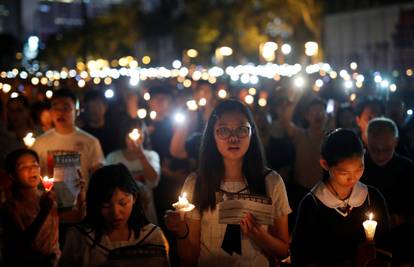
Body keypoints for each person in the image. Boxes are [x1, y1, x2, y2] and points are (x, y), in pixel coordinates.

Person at [164, 99, 291, 267]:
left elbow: (283, 251)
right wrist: (181, 232)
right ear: (212, 135)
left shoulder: (271, 181)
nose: (233, 138)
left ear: (252, 133)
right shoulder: (197, 183)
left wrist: (259, 235)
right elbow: (189, 258)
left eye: (241, 130)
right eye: (223, 130)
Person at [290, 128, 390, 267]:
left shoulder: (372, 197)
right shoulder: (312, 204)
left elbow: (386, 245)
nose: (353, 177)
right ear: (325, 164)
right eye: (344, 172)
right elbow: (301, 256)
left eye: (359, 168)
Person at [58, 164, 170, 267]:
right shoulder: (79, 237)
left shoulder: (153, 236)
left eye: (123, 203)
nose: (115, 213)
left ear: (134, 198)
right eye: (106, 205)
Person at [32, 89, 104, 214]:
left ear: (76, 111)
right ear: (50, 112)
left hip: (80, 207)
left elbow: (99, 176)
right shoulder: (39, 143)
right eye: (56, 108)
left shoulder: (90, 141)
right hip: (47, 208)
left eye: (66, 108)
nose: (60, 112)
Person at [360, 117, 414, 265]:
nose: (380, 155)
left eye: (386, 150)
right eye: (374, 150)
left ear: (395, 142)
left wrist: (402, 218)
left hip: (401, 240)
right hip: (363, 242)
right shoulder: (358, 168)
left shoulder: (408, 169)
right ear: (366, 140)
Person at [1, 148, 60, 267]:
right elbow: (22, 242)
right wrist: (43, 212)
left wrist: (80, 196)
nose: (32, 169)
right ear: (12, 175)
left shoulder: (47, 198)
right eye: (23, 167)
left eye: (35, 164)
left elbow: (74, 218)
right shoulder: (11, 206)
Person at [106, 118, 161, 224]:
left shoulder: (151, 156)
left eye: (139, 134)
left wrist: (141, 155)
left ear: (144, 135)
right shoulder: (113, 157)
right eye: (130, 134)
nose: (135, 139)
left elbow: (154, 181)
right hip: (120, 211)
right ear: (124, 136)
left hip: (146, 209)